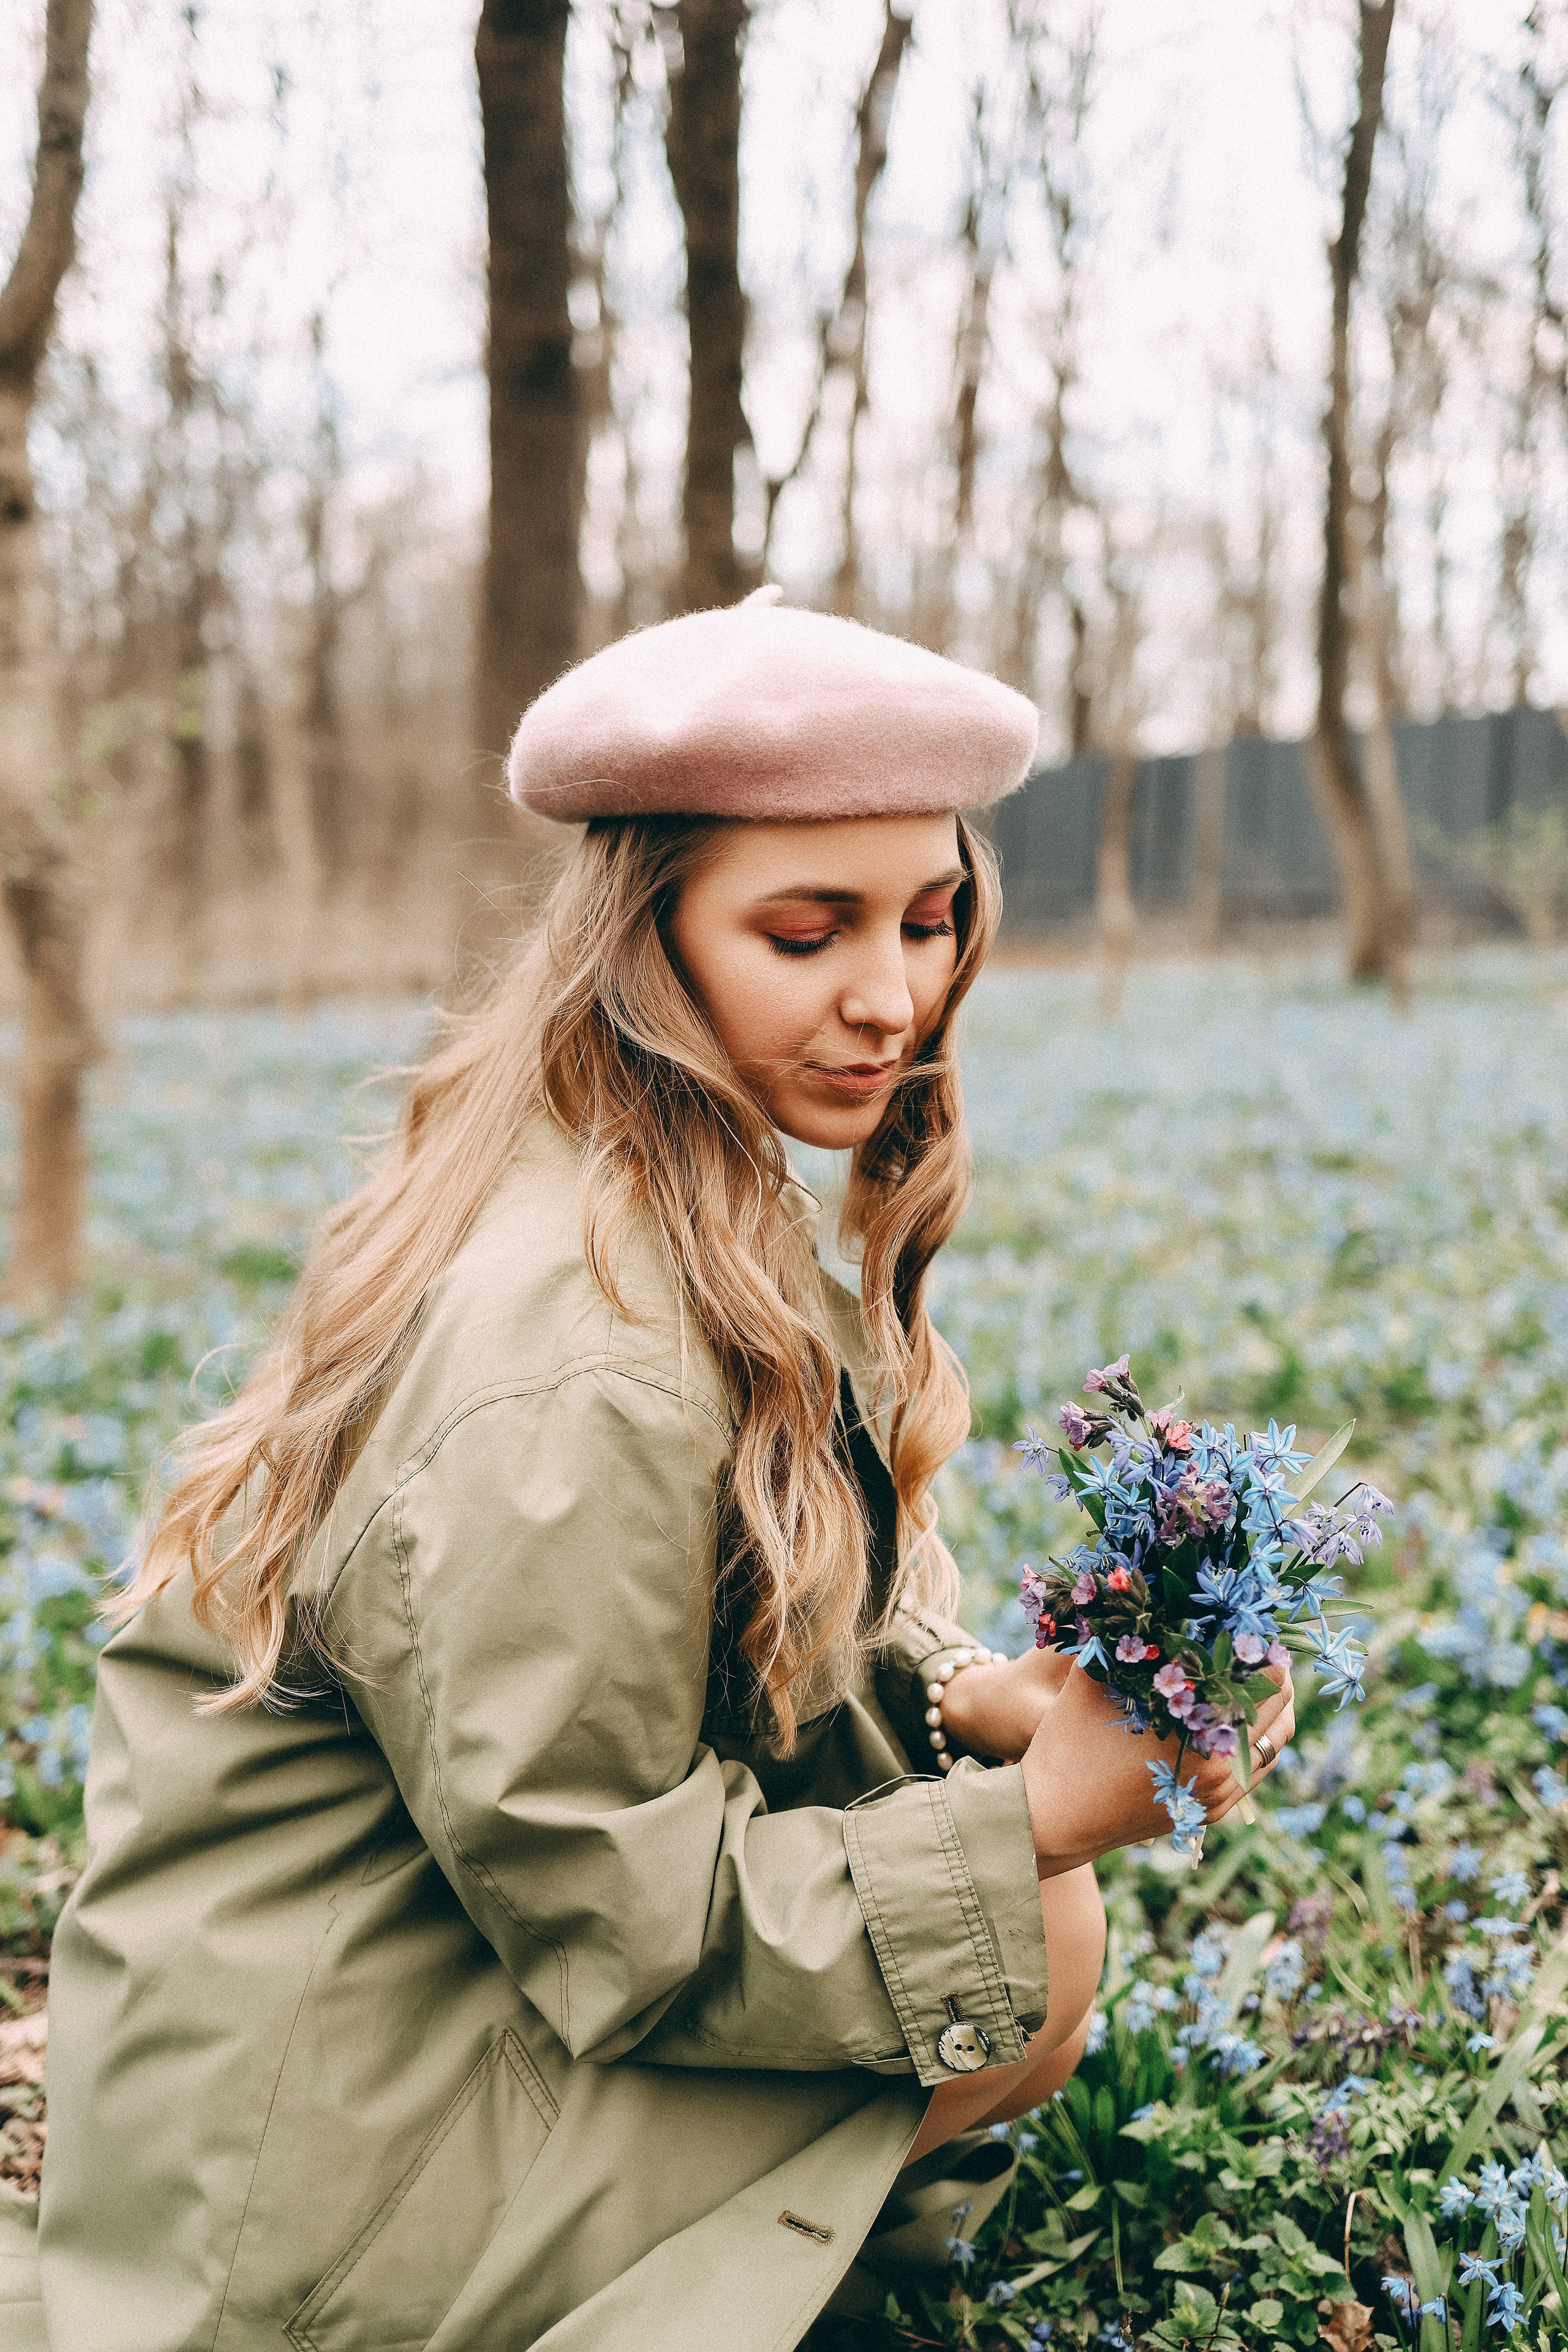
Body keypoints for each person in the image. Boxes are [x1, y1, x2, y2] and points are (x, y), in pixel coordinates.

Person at [34, 591, 1294, 2352]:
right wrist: (1031, 1820)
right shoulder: (582, 1349)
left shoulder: (648, 1182)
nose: (891, 997)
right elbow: (611, 1908)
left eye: (930, 920)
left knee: (1021, 1939)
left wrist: (970, 1693)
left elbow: (708, 1638)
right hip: (294, 2200)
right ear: (649, 941)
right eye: (807, 931)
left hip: (337, 2043)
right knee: (1027, 1937)